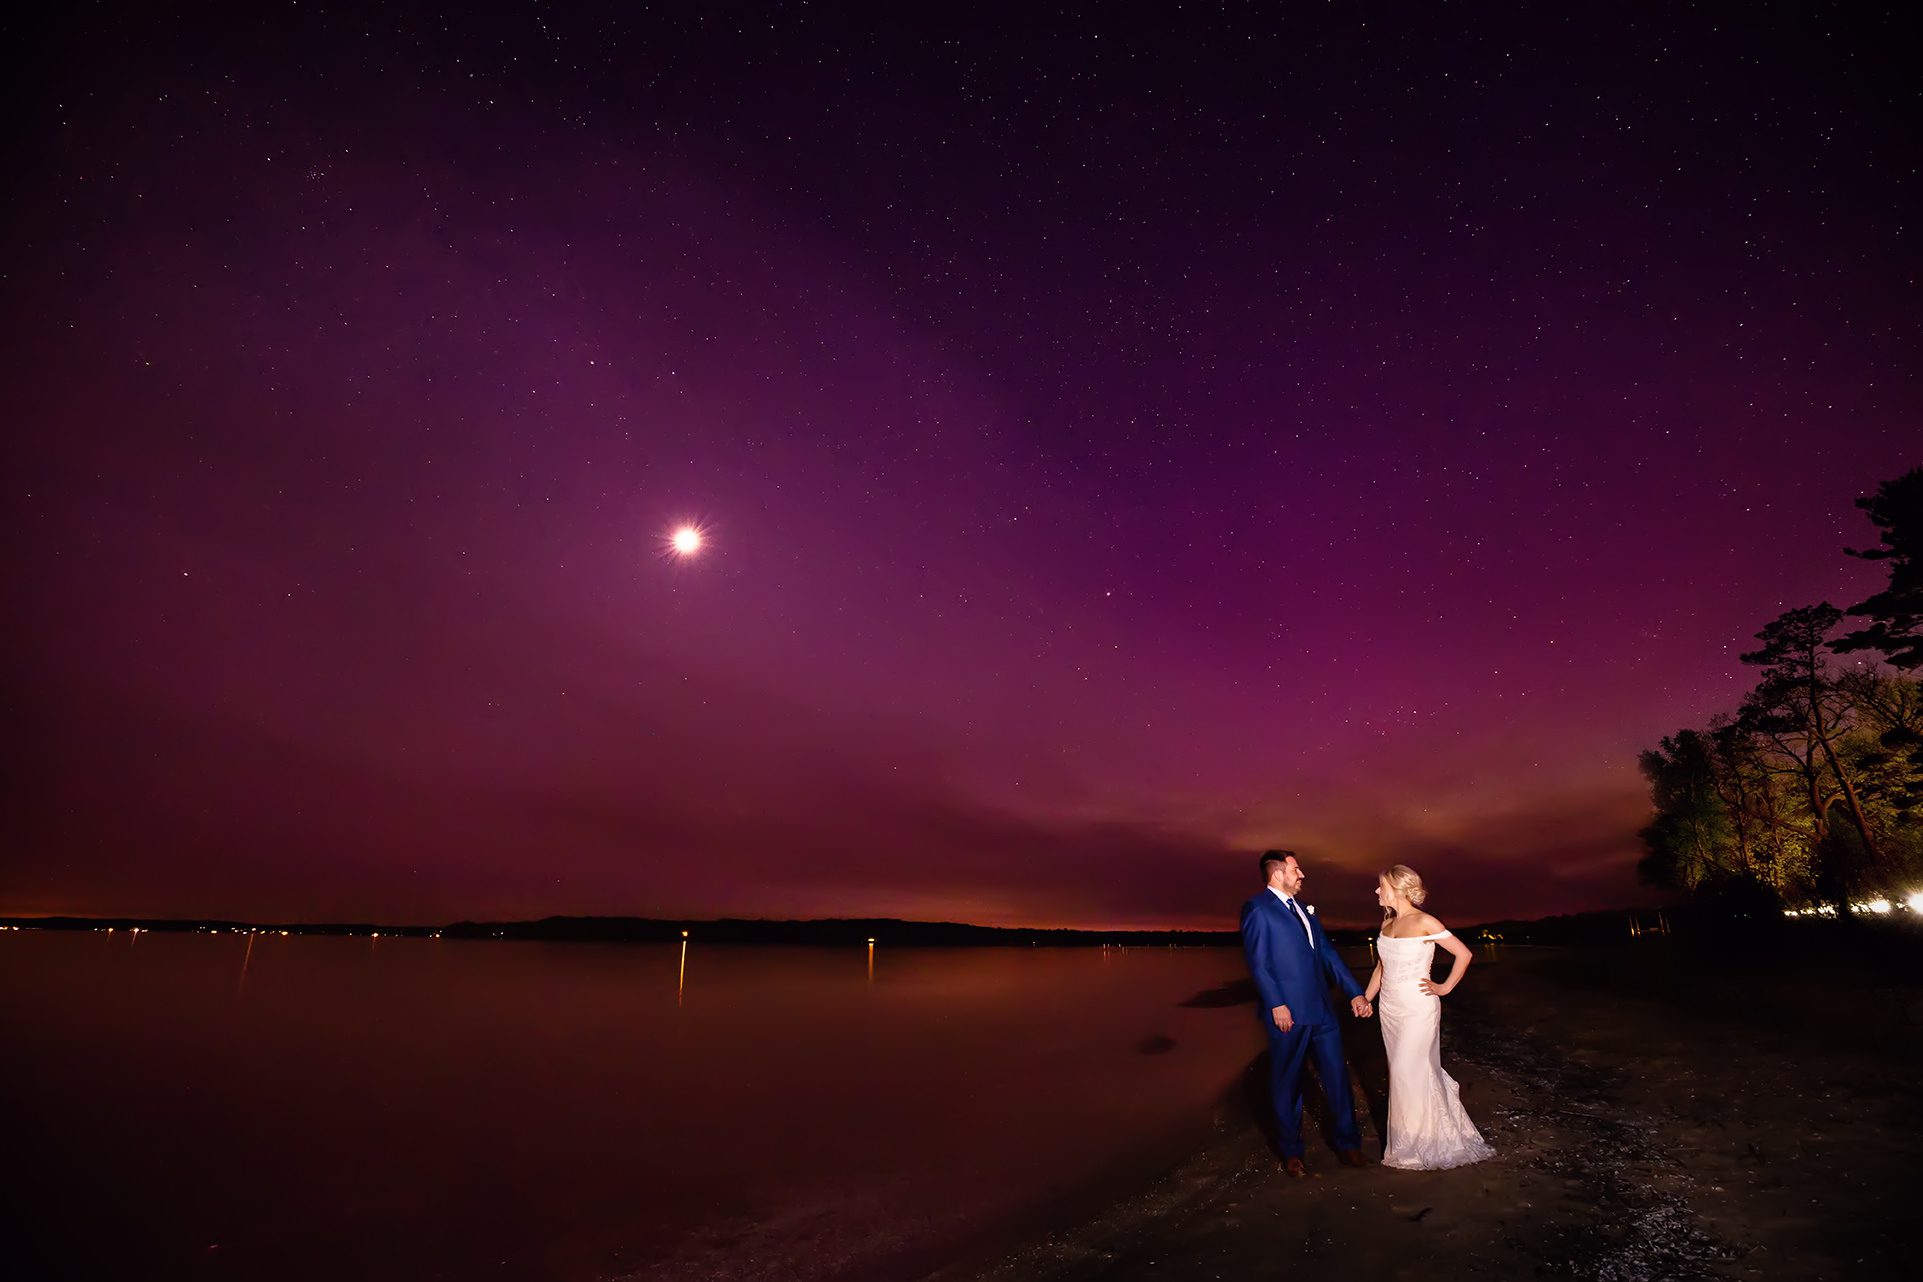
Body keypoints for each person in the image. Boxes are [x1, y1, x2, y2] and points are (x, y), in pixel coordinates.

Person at [1239, 849, 1373, 1176]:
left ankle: (1348, 1144)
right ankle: (1291, 1153)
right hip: (1288, 1013)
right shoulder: (1258, 909)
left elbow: (1328, 955)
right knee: (1288, 1082)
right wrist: (1276, 1003)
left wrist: (1355, 992)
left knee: (1337, 1077)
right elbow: (1258, 963)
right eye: (1296, 870)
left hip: (1323, 1010)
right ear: (1277, 874)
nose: (1302, 875)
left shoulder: (1305, 910)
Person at [1363, 864, 1495, 1170]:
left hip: (1418, 1007)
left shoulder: (1425, 921)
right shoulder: (1386, 926)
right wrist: (1366, 998)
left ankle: (1425, 1142)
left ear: (1396, 888)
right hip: (1390, 1008)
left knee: (1409, 1070)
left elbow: (1463, 954)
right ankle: (1407, 1140)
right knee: (1400, 1071)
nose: (1376, 891)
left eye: (1380, 885)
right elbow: (1382, 968)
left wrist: (1445, 987)